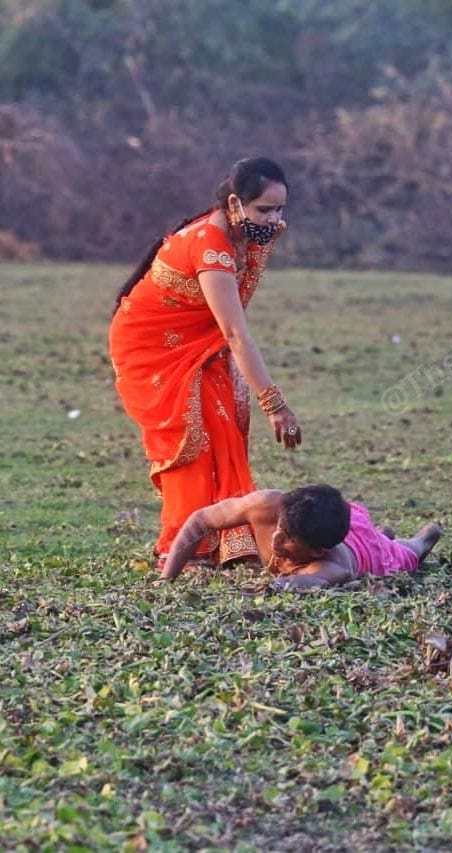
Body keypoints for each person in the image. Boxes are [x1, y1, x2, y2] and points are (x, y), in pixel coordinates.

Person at [109, 157, 301, 570]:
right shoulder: (211, 244)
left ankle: (223, 542)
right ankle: (182, 545)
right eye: (264, 210)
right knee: (190, 439)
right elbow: (234, 332)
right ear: (235, 204)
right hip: (152, 346)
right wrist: (275, 404)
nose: (274, 220)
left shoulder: (251, 233)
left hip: (198, 342)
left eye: (281, 209)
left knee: (223, 426)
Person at [158, 484, 442, 590]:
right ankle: (380, 533)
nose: (277, 539)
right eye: (280, 528)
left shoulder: (333, 566)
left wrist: (266, 591)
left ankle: (422, 537)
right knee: (371, 533)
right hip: (337, 522)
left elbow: (293, 584)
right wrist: (166, 578)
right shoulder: (266, 506)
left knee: (405, 554)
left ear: (316, 552)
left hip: (367, 553)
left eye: (289, 539)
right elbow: (200, 521)